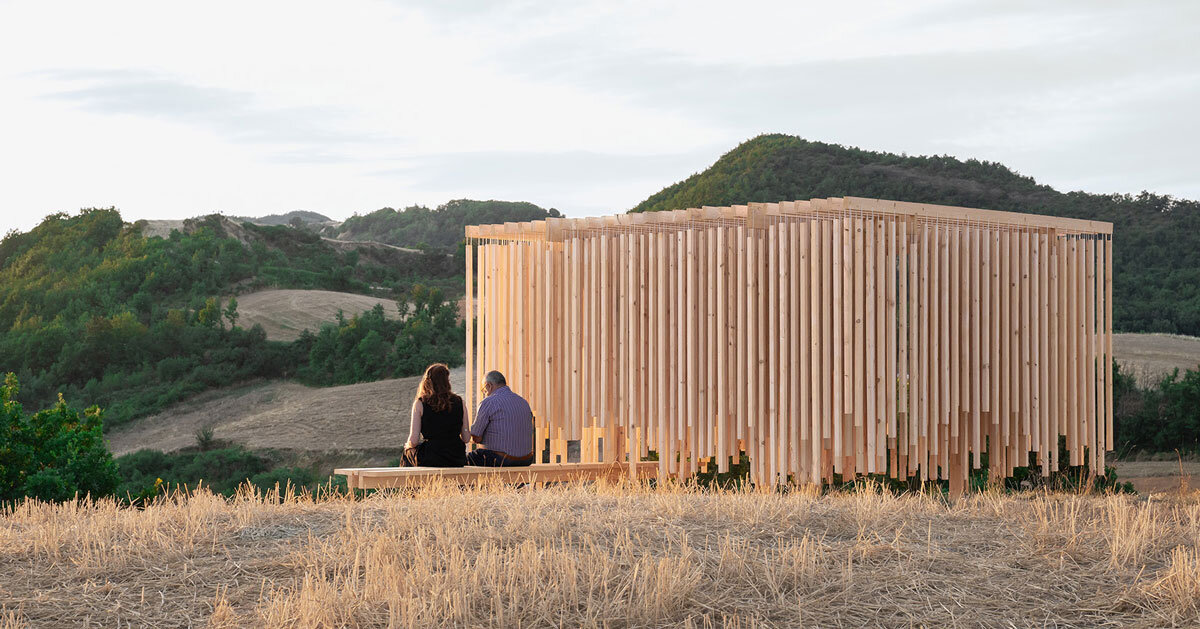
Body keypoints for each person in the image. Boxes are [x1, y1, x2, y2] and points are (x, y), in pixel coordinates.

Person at [400, 363, 468, 467]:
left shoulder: (420, 403)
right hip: (456, 457)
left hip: (431, 456)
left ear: (427, 382)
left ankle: (410, 483)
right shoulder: (459, 402)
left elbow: (413, 440)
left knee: (407, 453)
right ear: (447, 381)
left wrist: (408, 446)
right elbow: (466, 438)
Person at [467, 370, 535, 467]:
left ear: (489, 385)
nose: (485, 393)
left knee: (469, 458)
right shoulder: (523, 402)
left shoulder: (489, 402)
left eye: (484, 390)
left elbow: (477, 438)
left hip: (501, 460)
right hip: (527, 460)